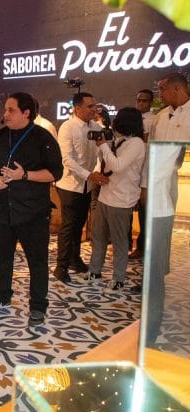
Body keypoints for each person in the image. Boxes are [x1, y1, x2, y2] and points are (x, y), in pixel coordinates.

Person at [0, 92, 63, 327]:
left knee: (37, 261)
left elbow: (55, 173)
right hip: (2, 210)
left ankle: (38, 306)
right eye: (5, 109)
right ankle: (2, 296)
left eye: (11, 110)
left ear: (26, 113)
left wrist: (24, 175)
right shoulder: (0, 136)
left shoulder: (43, 138)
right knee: (2, 257)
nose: (5, 114)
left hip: (33, 212)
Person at [143, 73, 189, 341]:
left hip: (165, 190)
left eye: (162, 89)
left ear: (177, 88)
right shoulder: (161, 117)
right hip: (154, 188)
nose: (159, 94)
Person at [86, 107, 146, 290]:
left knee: (120, 241)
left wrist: (104, 146)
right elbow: (106, 163)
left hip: (122, 199)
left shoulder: (136, 143)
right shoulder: (120, 140)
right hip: (106, 195)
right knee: (98, 237)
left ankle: (118, 278)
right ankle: (95, 270)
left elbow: (118, 166)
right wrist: (103, 146)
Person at [52, 92, 105, 284]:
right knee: (69, 225)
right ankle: (61, 267)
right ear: (76, 108)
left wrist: (95, 173)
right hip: (70, 184)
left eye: (94, 106)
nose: (93, 110)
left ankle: (75, 259)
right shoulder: (68, 127)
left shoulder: (96, 127)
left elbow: (102, 153)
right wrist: (88, 174)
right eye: (89, 106)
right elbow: (67, 159)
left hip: (87, 185)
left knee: (79, 224)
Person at [128, 88, 155, 260]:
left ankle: (142, 247)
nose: (140, 103)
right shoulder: (132, 120)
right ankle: (126, 243)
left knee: (144, 213)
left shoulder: (154, 121)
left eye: (144, 100)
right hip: (131, 172)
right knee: (128, 210)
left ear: (150, 102)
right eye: (138, 100)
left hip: (145, 171)